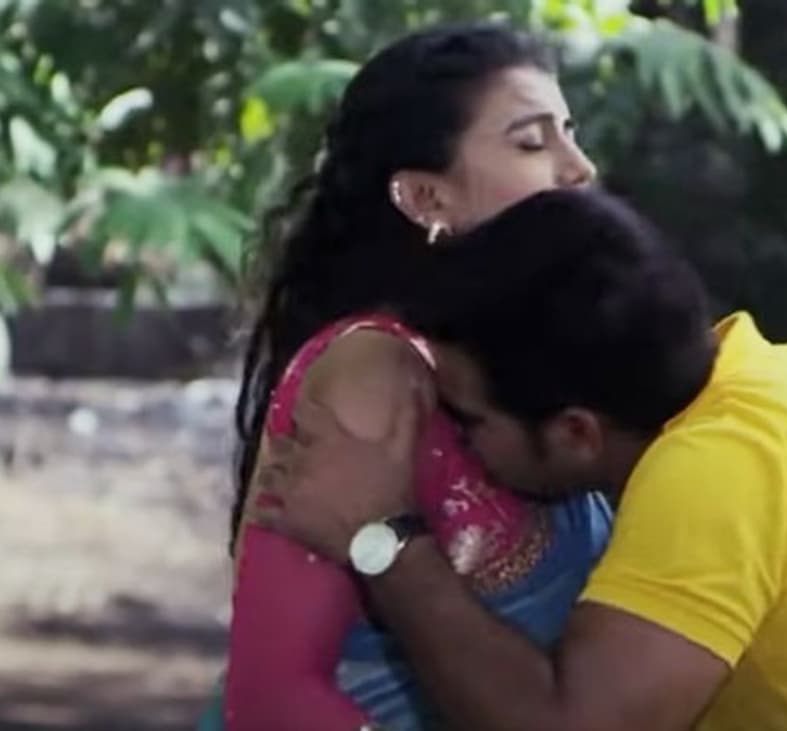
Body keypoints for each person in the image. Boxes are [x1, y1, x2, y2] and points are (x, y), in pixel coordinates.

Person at [256, 188, 787, 730]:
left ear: (576, 432)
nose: (458, 443)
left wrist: (383, 537)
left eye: (470, 418)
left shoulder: (719, 467)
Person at [199, 23, 613, 731]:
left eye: (569, 134)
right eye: (531, 143)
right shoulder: (371, 373)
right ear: (426, 197)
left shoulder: (551, 351)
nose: (579, 169)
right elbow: (272, 697)